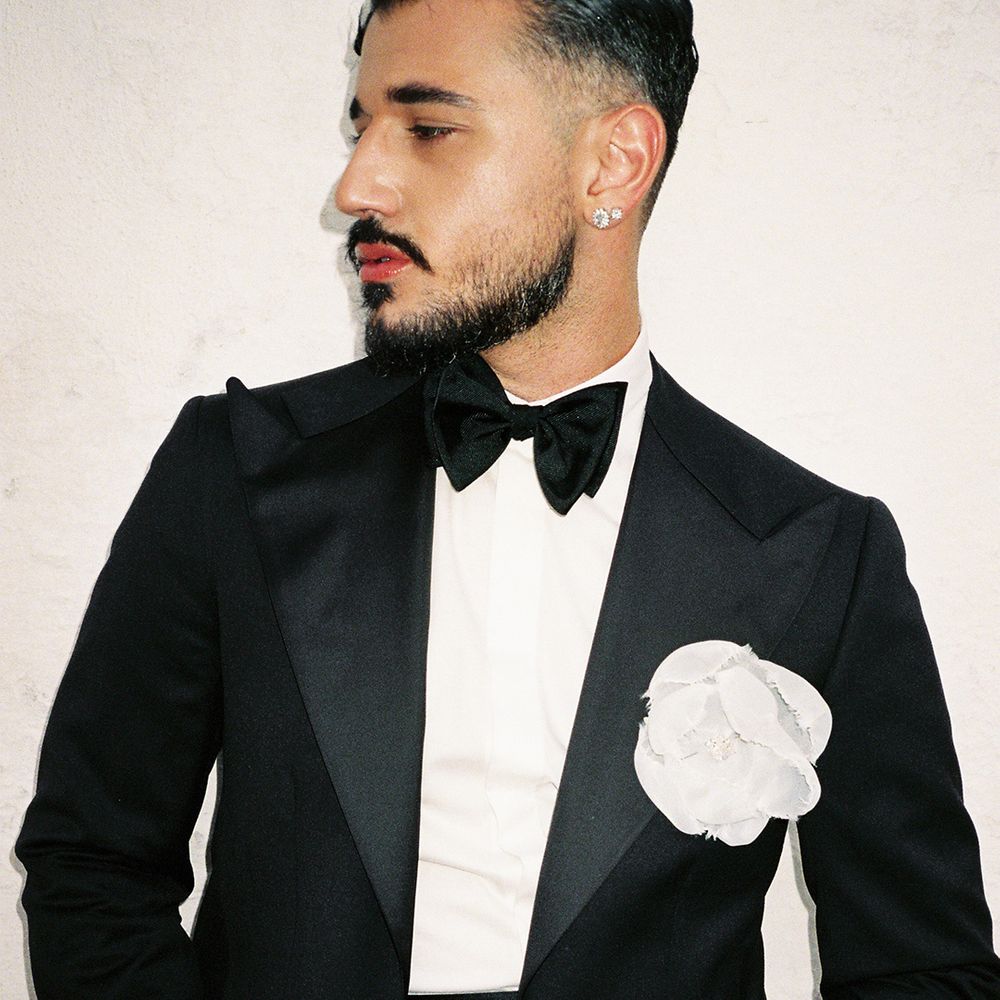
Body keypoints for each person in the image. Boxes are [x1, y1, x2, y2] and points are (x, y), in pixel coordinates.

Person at [16, 1, 1000, 998]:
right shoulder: (230, 471)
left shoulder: (816, 549)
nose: (356, 185)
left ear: (611, 162)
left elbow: (924, 967)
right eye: (362, 127)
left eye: (429, 129)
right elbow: (94, 865)